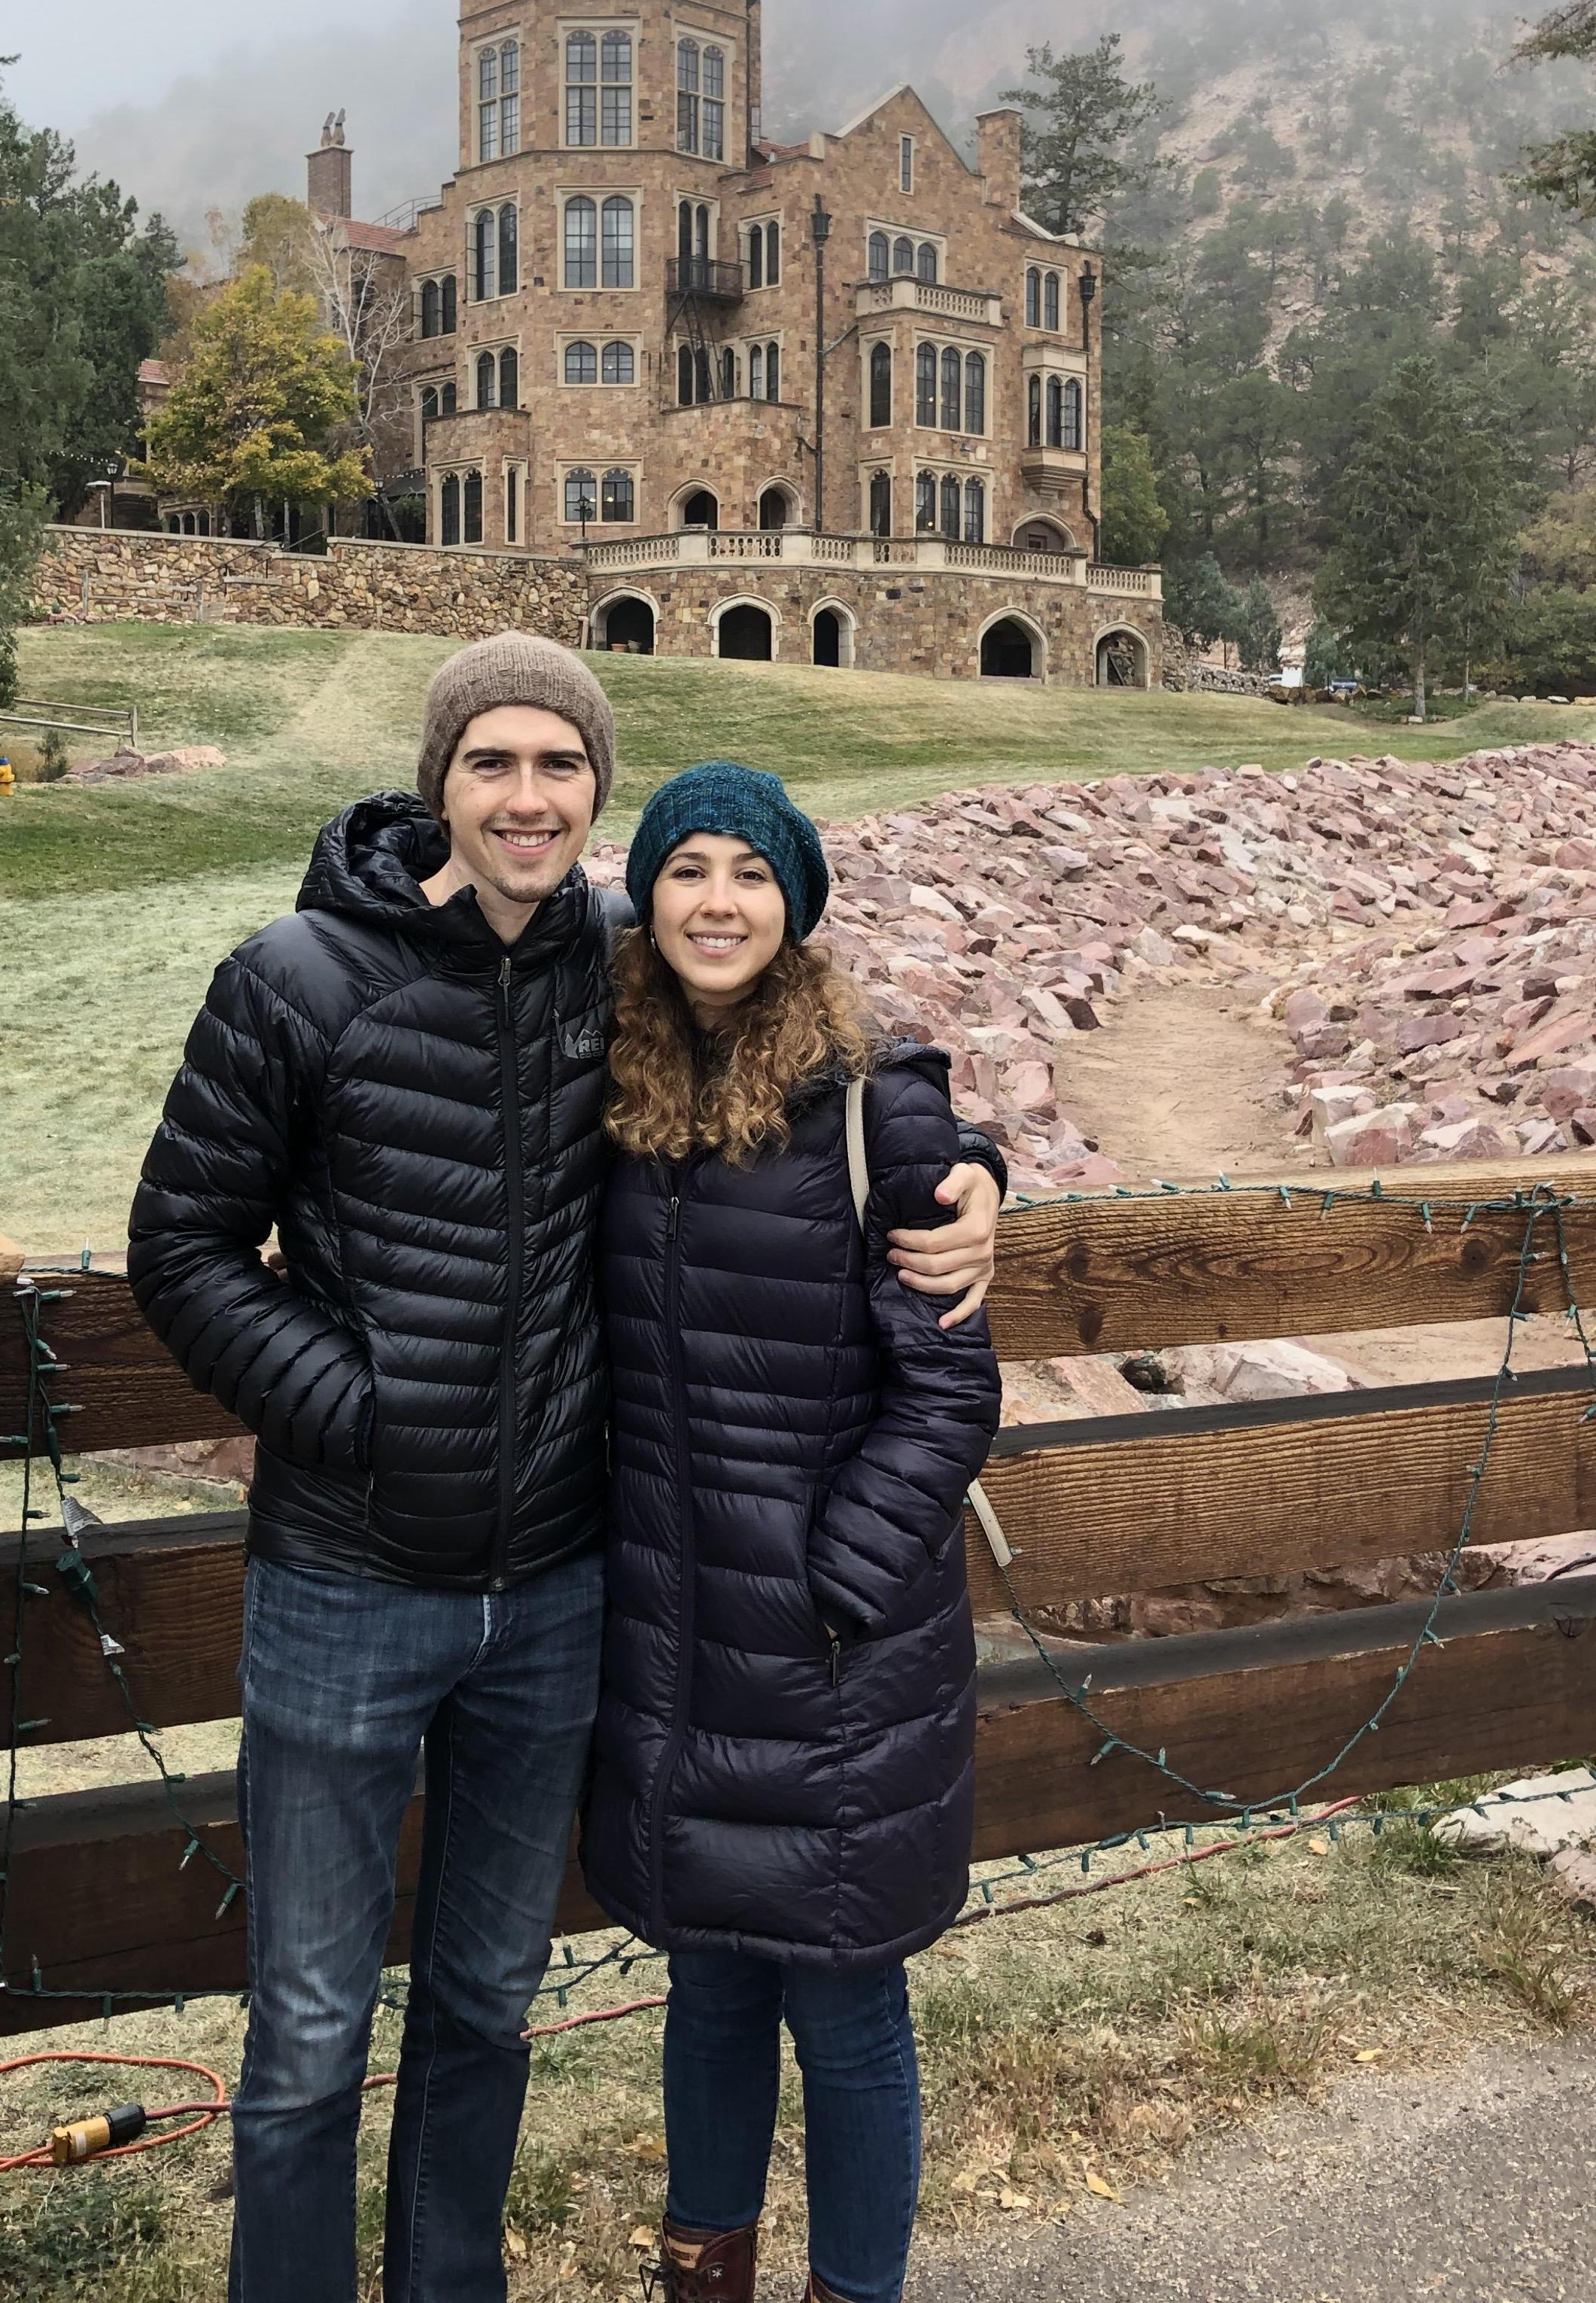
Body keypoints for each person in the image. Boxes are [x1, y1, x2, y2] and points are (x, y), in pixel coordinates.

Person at [126, 639, 1005, 2303]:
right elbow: (180, 1246)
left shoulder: (618, 958)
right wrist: (366, 1411)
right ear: (439, 780)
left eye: (560, 766)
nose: (527, 797)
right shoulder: (299, 976)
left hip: (555, 1596)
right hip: (349, 1578)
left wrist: (963, 1167)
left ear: (597, 792)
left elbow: (845, 1047)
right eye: (493, 764)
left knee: (483, 2006)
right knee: (312, 2031)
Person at [579, 762, 1002, 2303]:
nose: (714, 900)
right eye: (685, 868)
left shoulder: (875, 1107)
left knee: (843, 2005)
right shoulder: (616, 1084)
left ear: (796, 904)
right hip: (675, 1643)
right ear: (647, 896)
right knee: (703, 1985)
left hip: (834, 1656)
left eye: (748, 872)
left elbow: (947, 1395)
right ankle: (706, 2283)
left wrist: (833, 1586)